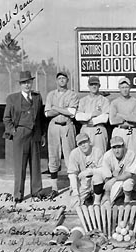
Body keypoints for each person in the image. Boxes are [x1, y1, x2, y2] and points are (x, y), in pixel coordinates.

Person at [3, 71, 46, 203]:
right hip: (20, 135)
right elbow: (6, 118)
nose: (27, 85)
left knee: (35, 164)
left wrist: (42, 134)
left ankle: (37, 191)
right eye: (24, 83)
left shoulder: (37, 97)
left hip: (35, 135)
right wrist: (14, 131)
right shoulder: (12, 98)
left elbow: (41, 118)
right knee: (20, 166)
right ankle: (18, 194)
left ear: (32, 82)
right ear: (20, 85)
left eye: (29, 82)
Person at [45, 71, 79, 199]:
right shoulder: (51, 95)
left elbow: (72, 112)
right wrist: (62, 109)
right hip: (54, 127)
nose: (62, 81)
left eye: (64, 78)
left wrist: (56, 108)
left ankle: (73, 187)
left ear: (67, 80)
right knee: (53, 156)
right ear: (56, 81)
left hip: (67, 126)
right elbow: (47, 113)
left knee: (70, 156)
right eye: (59, 78)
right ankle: (54, 187)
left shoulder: (72, 94)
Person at [67, 133, 109, 207]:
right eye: (80, 143)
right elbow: (72, 175)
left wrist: (90, 171)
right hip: (82, 183)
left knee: (98, 177)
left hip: (96, 181)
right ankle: (88, 198)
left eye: (85, 142)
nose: (83, 145)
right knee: (74, 205)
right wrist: (75, 193)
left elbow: (104, 171)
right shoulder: (74, 153)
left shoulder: (97, 151)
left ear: (89, 141)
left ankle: (97, 202)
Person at [76, 76, 110, 153]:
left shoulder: (104, 100)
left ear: (99, 86)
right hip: (86, 128)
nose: (94, 86)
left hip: (99, 128)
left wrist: (93, 121)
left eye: (96, 84)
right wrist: (92, 114)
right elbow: (78, 116)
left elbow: (105, 117)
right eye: (91, 84)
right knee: (85, 154)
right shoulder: (83, 100)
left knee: (100, 154)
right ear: (88, 86)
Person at [109, 77, 136, 157]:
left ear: (130, 88)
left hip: (131, 130)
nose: (125, 89)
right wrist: (129, 117)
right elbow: (112, 120)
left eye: (126, 87)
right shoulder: (114, 102)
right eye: (122, 87)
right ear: (119, 88)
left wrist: (120, 115)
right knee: (118, 156)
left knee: (132, 156)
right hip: (119, 130)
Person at [101, 136, 136, 204]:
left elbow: (129, 174)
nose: (117, 150)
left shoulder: (130, 154)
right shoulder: (107, 155)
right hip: (113, 181)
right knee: (107, 203)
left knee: (128, 184)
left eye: (119, 147)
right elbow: (106, 175)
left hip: (127, 179)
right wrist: (107, 193)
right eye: (114, 147)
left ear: (124, 146)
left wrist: (114, 179)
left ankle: (128, 200)